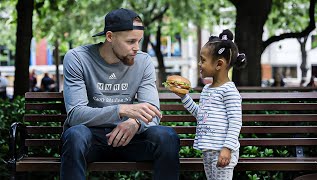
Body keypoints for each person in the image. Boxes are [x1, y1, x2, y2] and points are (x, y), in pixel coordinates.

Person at [60, 8, 180, 180]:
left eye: (139, 41)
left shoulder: (144, 61)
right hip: (91, 138)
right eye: (130, 41)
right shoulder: (77, 58)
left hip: (130, 137)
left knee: (167, 136)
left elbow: (152, 111)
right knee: (74, 135)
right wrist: (121, 110)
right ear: (110, 37)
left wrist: (136, 122)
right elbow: (76, 115)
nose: (136, 48)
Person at [171, 30, 246, 180]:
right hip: (208, 150)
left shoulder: (229, 91)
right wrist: (184, 97)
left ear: (219, 64)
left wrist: (227, 148)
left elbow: (235, 122)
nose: (199, 64)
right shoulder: (207, 89)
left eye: (203, 60)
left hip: (222, 151)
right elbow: (201, 115)